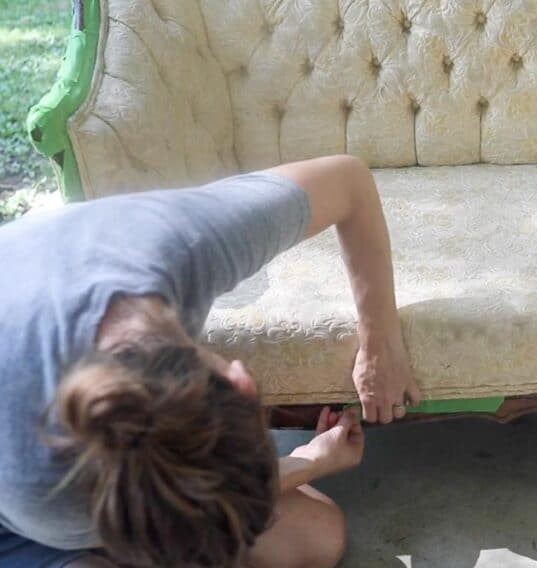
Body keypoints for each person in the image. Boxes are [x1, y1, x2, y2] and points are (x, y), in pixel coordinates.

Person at [0, 155, 422, 567]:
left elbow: (347, 179)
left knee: (316, 534)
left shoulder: (186, 243)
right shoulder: (40, 487)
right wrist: (307, 463)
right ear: (242, 380)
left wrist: (380, 340)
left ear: (241, 381)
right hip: (18, 533)